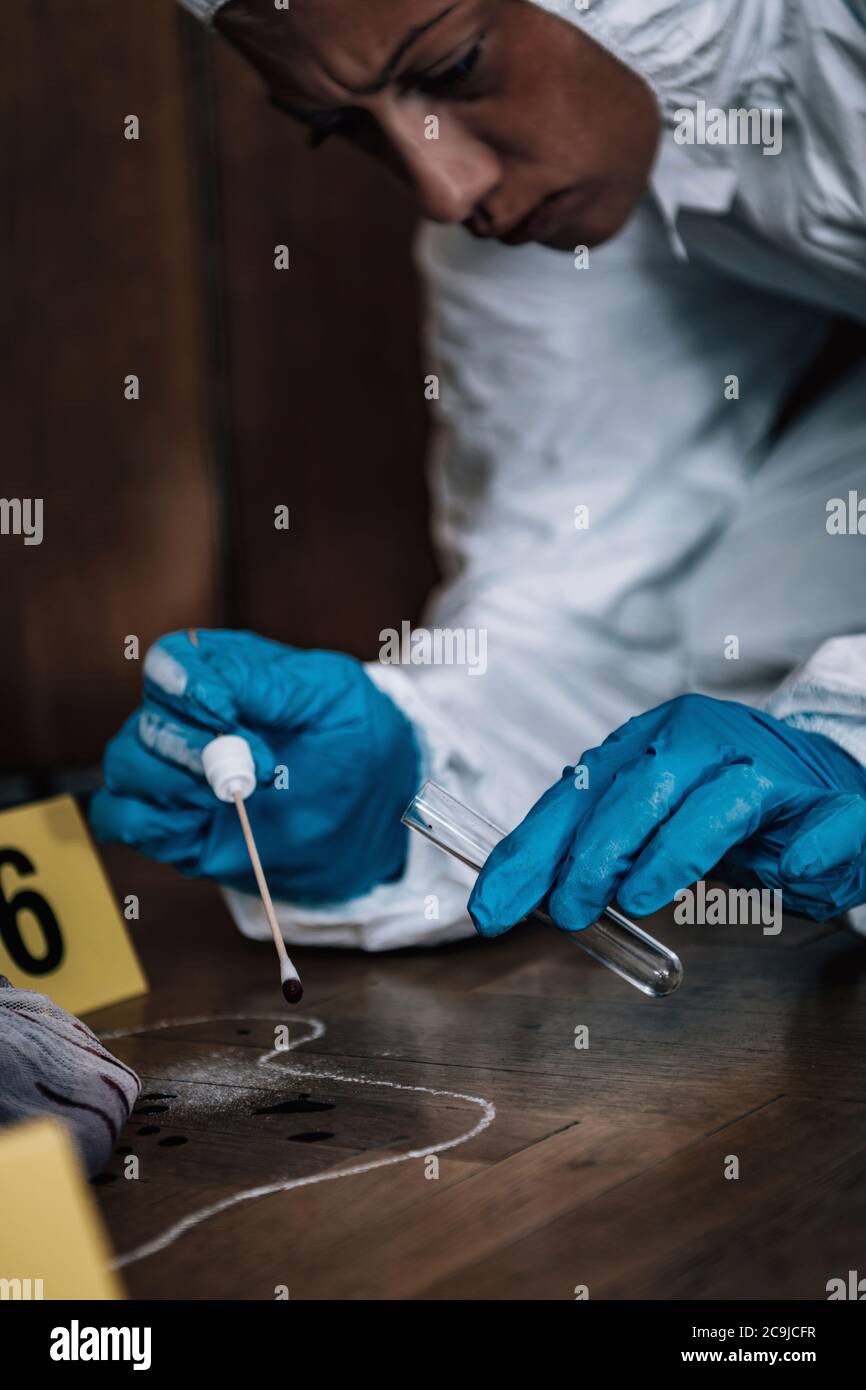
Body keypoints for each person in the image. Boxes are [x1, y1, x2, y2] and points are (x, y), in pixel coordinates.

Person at [92, 0, 866, 949]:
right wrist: (412, 777)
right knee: (740, 627)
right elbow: (584, 609)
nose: (445, 189)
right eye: (345, 127)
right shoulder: (540, 212)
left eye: (455, 68)